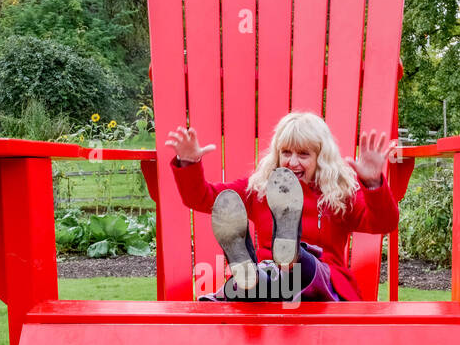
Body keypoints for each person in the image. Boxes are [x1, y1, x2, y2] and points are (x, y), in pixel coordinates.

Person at [164, 111, 398, 302]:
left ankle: (291, 255)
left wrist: (373, 183)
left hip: (322, 286)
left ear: (321, 158)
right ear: (277, 154)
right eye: (287, 152)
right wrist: (189, 163)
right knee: (261, 280)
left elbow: (384, 223)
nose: (293, 162)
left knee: (301, 267)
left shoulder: (339, 193)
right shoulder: (261, 188)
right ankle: (248, 271)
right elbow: (203, 198)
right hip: (272, 284)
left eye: (304, 154)